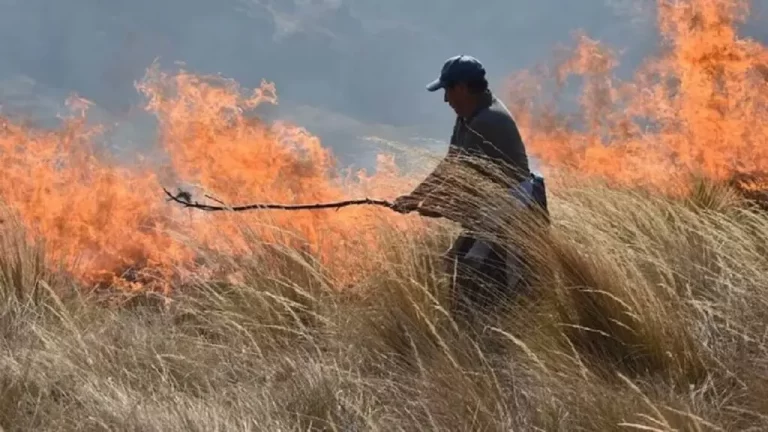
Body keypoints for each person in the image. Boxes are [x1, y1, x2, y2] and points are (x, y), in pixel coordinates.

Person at [391, 54, 548, 317]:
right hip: (493, 212)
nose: (445, 100)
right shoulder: (469, 115)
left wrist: (436, 206)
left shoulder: (488, 120)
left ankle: (488, 342)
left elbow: (465, 178)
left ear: (462, 88)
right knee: (458, 264)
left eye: (447, 91)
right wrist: (414, 197)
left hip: (513, 215)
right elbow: (451, 164)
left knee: (487, 282)